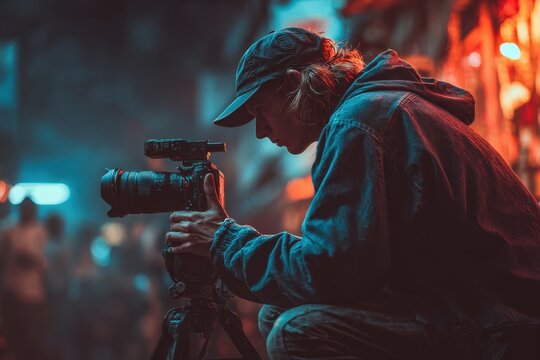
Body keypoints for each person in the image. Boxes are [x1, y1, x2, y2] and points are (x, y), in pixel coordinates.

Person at [166, 28, 540, 359]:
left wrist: (224, 241)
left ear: (296, 84)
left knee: (296, 332)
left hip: (502, 324)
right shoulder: (378, 108)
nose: (261, 131)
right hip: (490, 309)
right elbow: (346, 264)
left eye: (261, 111)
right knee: (277, 310)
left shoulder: (357, 124)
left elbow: (328, 270)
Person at [0, 198, 48, 360]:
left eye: (30, 208)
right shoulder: (8, 231)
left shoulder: (41, 232)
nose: (27, 211)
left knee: (32, 337)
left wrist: (31, 260)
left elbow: (47, 263)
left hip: (33, 293)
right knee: (13, 336)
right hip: (11, 290)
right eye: (24, 208)